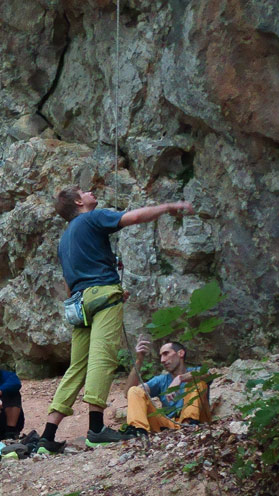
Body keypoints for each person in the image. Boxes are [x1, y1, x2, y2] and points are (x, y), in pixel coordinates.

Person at [39, 186, 194, 453]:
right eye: (83, 191)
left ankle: (47, 436)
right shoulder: (92, 217)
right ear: (78, 202)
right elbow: (133, 217)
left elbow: (68, 281)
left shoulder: (64, 240)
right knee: (103, 358)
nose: (89, 192)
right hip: (103, 295)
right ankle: (96, 429)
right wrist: (168, 207)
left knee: (77, 367)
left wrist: (84, 298)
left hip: (79, 303)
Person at [122, 335, 210, 437]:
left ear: (180, 353)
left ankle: (189, 424)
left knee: (198, 383)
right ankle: (138, 431)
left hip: (198, 420)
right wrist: (139, 360)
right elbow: (128, 393)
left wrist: (180, 378)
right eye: (161, 356)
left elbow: (207, 374)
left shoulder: (195, 371)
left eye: (166, 354)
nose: (162, 360)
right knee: (134, 390)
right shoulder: (161, 380)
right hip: (168, 424)